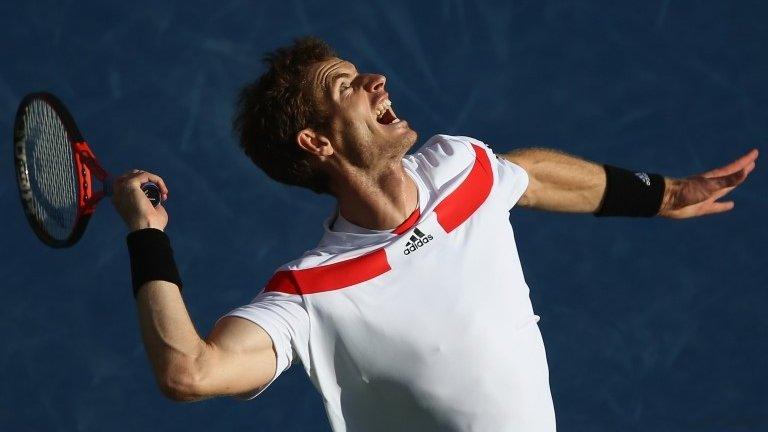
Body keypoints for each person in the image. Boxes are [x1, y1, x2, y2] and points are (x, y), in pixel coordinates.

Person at [111, 37, 757, 432]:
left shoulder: (460, 167)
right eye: (347, 87)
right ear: (317, 142)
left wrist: (665, 194)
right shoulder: (310, 296)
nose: (376, 81)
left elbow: (527, 175)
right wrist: (146, 232)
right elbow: (188, 372)